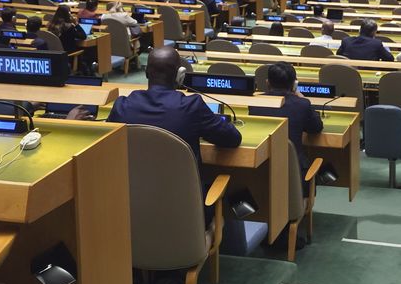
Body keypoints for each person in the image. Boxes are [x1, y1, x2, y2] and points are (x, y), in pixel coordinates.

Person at [94, 48, 241, 220]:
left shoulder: (122, 105)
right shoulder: (192, 106)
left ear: (147, 73)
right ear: (180, 75)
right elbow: (233, 139)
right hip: (184, 213)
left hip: (132, 208)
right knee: (231, 193)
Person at [250, 62, 322, 194]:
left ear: (267, 82)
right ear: (294, 84)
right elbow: (316, 128)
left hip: (259, 171)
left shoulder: (254, 103)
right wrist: (301, 96)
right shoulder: (302, 104)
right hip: (294, 177)